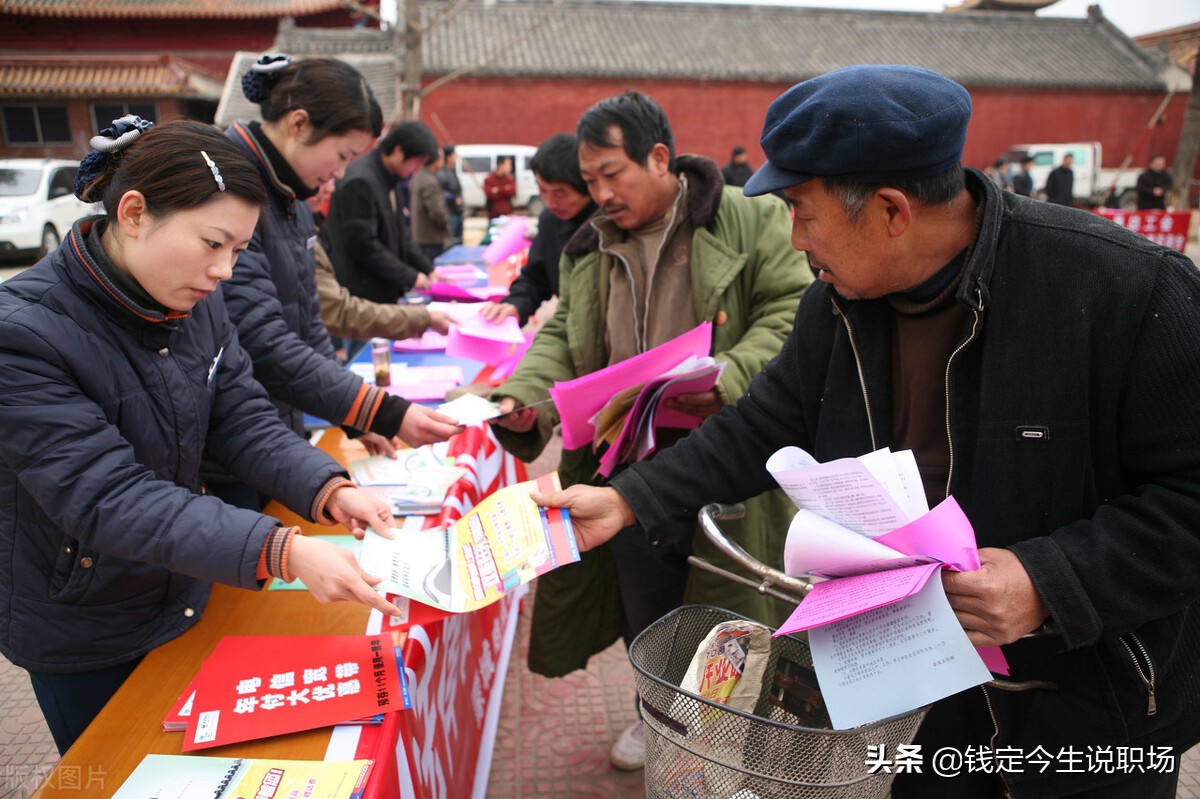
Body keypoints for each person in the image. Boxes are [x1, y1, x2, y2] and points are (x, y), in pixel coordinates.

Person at [530, 65, 1200, 797]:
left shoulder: (1126, 293)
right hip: (912, 698)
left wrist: (1050, 579)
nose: (793, 238)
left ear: (890, 210)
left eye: (802, 211)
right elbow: (764, 424)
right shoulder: (838, 305)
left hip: (1082, 709)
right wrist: (626, 499)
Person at [0, 117, 404, 755]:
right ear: (133, 212)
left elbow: (240, 416)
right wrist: (283, 552)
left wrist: (326, 487)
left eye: (240, 250)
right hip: (84, 623)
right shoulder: (22, 336)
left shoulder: (193, 300)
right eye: (213, 242)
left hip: (182, 587)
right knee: (118, 769)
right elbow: (108, 498)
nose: (224, 270)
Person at [490, 91, 812, 771]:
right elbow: (563, 334)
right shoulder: (588, 247)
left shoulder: (747, 221)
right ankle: (657, 712)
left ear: (660, 158)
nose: (600, 192)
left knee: (732, 608)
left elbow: (793, 308)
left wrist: (728, 374)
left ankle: (728, 735)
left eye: (614, 173)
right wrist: (526, 400)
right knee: (649, 607)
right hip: (627, 465)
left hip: (728, 450)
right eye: (591, 179)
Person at [220, 55, 461, 509]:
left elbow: (309, 324)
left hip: (277, 426)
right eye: (344, 155)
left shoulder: (289, 194)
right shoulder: (232, 190)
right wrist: (380, 410)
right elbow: (262, 339)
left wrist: (353, 416)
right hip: (233, 440)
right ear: (298, 124)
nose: (341, 173)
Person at [307, 180, 452, 343]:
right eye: (322, 180)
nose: (330, 188)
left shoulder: (307, 222)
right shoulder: (360, 183)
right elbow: (339, 312)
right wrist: (420, 316)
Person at [479, 133, 597, 326]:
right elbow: (535, 276)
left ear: (587, 185)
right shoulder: (550, 221)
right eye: (543, 190)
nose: (550, 203)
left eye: (560, 192)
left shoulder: (610, 223)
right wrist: (515, 305)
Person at [321, 119, 442, 302]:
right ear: (398, 150)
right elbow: (364, 246)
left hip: (383, 288)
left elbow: (401, 235)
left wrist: (428, 269)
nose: (417, 170)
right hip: (361, 294)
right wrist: (411, 276)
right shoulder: (361, 181)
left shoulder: (392, 178)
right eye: (417, 162)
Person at [410, 150, 453, 263]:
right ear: (436, 161)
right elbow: (437, 212)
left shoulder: (419, 176)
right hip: (432, 238)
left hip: (422, 237)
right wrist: (446, 224)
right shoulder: (429, 182)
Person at [437, 144, 464, 243]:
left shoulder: (452, 172)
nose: (456, 158)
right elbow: (440, 191)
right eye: (454, 155)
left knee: (459, 241)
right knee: (452, 242)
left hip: (457, 212)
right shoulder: (441, 174)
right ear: (448, 157)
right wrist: (453, 198)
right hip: (450, 212)